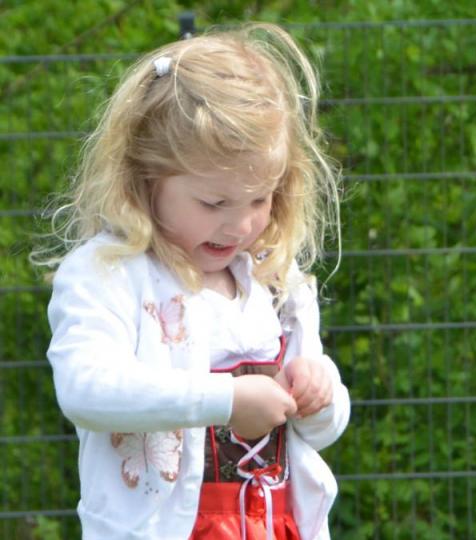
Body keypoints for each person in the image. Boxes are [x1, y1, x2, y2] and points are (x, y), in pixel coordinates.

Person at [37, 23, 349, 539]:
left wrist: (321, 393)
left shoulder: (275, 284)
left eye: (259, 198)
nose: (241, 224)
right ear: (145, 181)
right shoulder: (110, 274)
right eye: (213, 203)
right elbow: (84, 388)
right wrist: (224, 399)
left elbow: (321, 432)